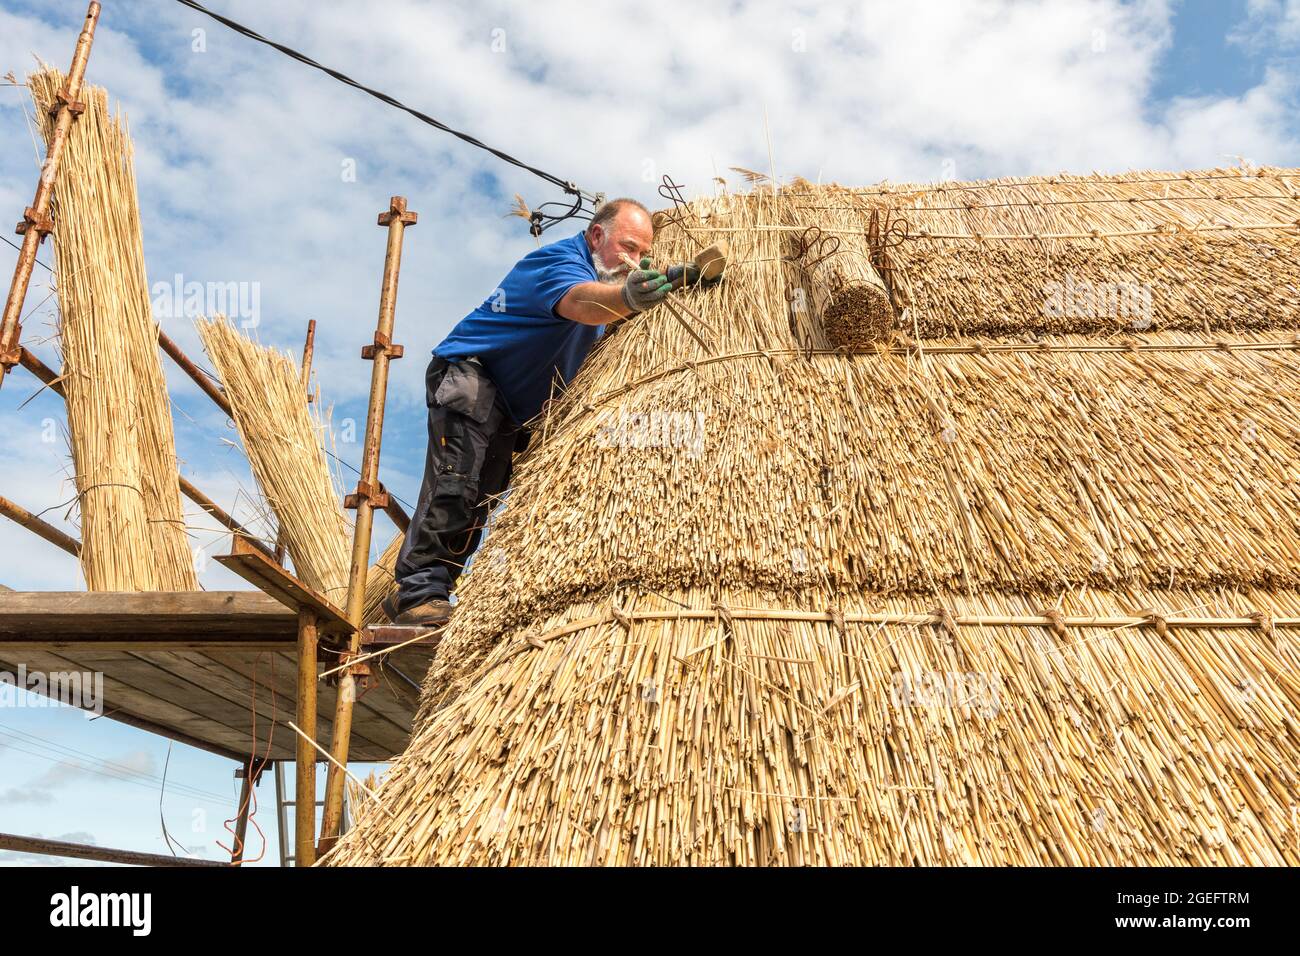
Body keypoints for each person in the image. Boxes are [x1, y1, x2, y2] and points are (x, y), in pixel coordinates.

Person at [385, 197, 704, 625]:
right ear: (596, 235)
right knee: (456, 482)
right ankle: (417, 591)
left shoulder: (606, 283)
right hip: (472, 376)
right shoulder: (560, 262)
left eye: (644, 254)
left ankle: (434, 592)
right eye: (629, 247)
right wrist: (628, 296)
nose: (635, 260)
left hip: (509, 407)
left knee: (482, 498)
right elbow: (581, 302)